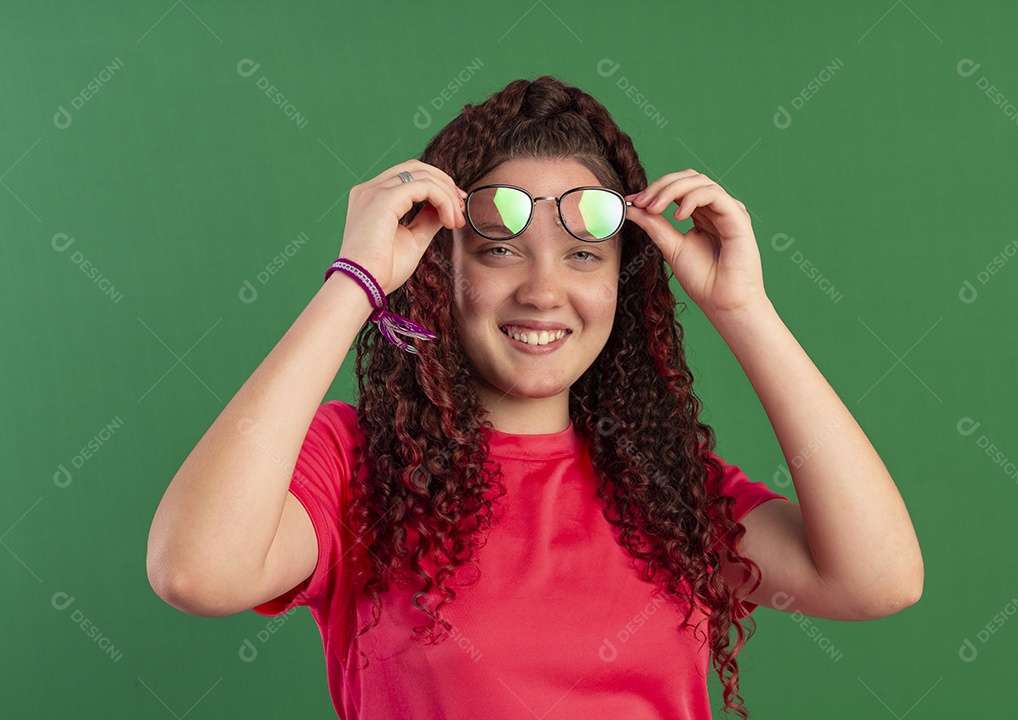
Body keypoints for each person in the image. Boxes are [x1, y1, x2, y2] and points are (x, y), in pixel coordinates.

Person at [147, 76, 923, 719]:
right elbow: (196, 570)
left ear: (623, 282)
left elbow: (878, 577)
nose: (544, 290)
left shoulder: (664, 487)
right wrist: (358, 281)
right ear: (436, 266)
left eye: (584, 256)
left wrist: (743, 310)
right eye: (499, 250)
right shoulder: (359, 463)